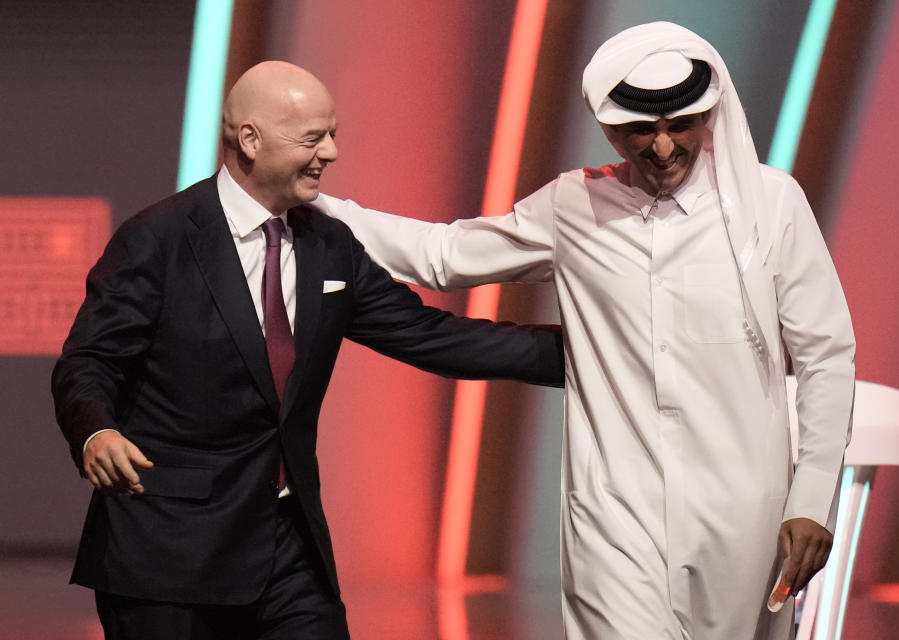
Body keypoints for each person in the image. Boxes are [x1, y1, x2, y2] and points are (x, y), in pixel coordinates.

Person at [316, 22, 856, 640]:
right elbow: (443, 256)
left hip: (744, 516)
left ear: (708, 117)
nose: (661, 148)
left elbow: (826, 356)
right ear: (607, 126)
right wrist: (311, 206)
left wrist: (812, 495)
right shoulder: (574, 206)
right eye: (639, 130)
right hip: (613, 516)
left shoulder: (772, 204)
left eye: (678, 125)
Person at [51, 61, 563, 640]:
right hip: (168, 553)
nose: (333, 152)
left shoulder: (328, 245)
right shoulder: (159, 239)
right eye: (313, 137)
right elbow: (88, 361)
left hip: (288, 549)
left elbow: (435, 337)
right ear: (250, 139)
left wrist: (594, 355)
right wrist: (97, 432)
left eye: (333, 133)